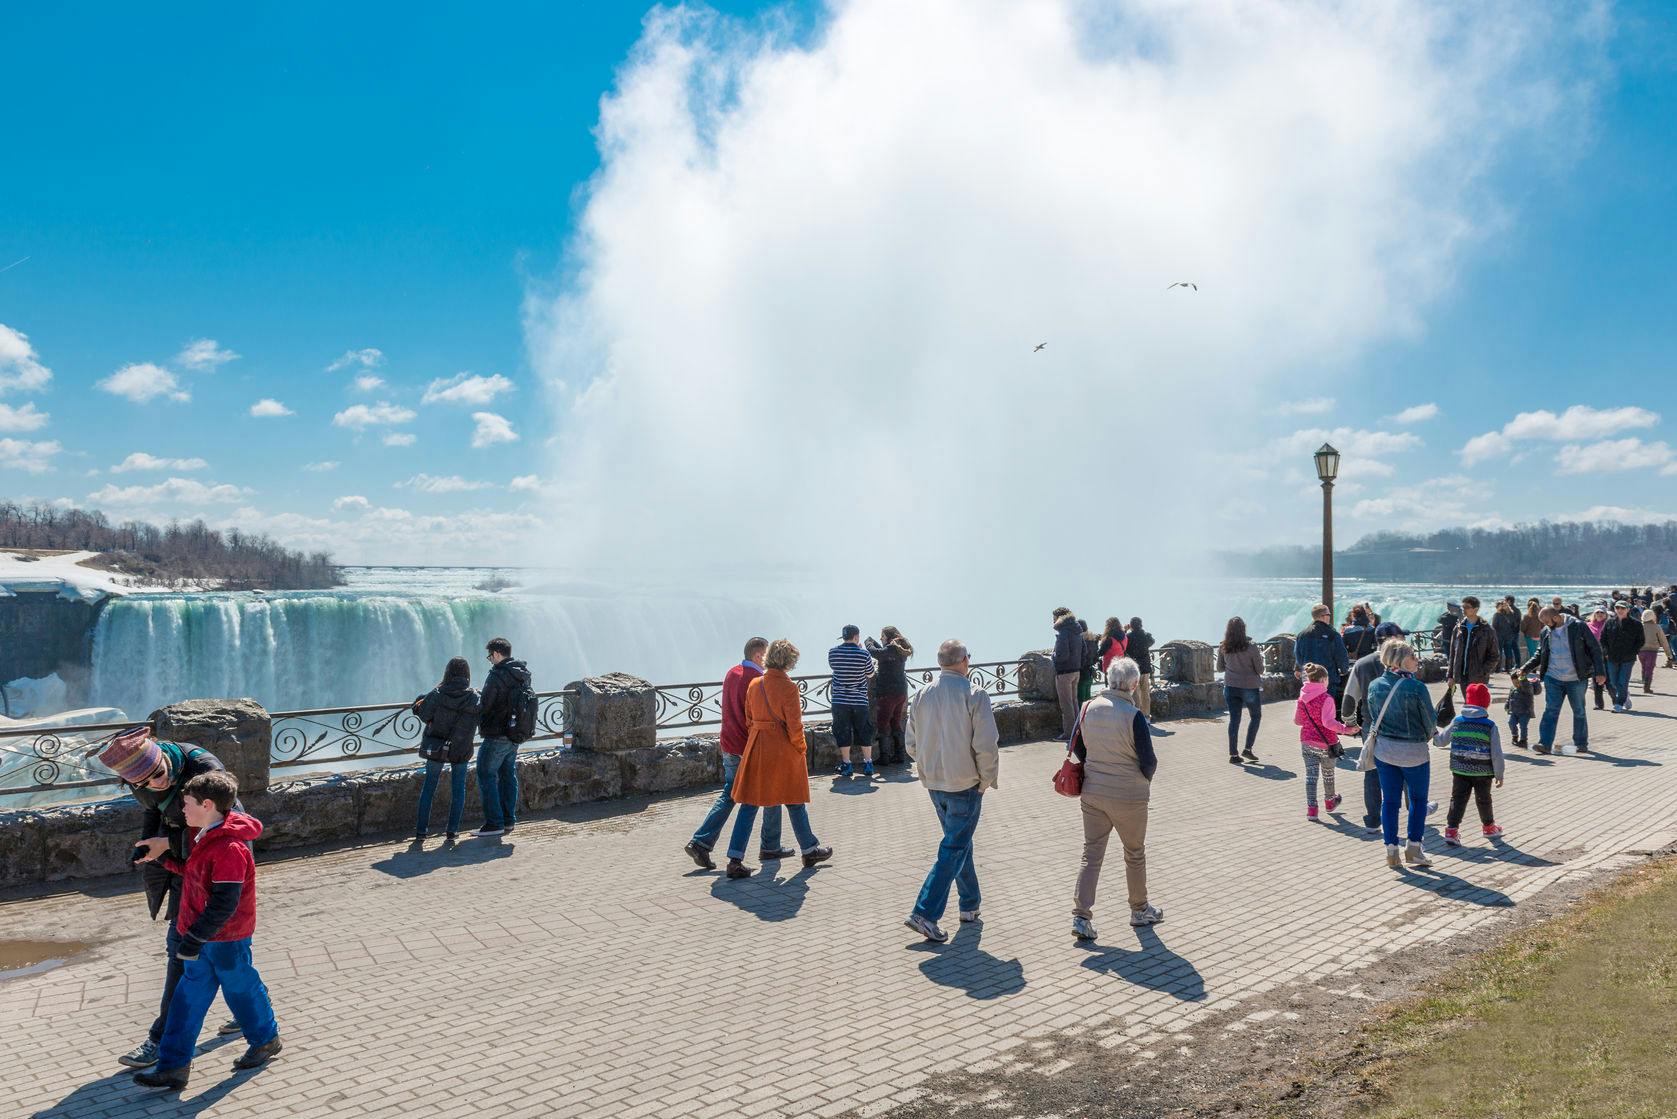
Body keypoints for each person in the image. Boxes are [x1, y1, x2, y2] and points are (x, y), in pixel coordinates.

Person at [99, 725, 242, 1069]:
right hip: (183, 866)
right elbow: (154, 808)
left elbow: (229, 831)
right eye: (143, 783)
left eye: (159, 775)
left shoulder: (206, 771)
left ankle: (160, 1040)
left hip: (217, 869)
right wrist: (148, 844)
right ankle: (252, 1013)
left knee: (190, 951)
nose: (155, 784)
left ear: (164, 756)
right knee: (220, 952)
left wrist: (169, 845)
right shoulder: (145, 783)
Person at [132, 771, 282, 1089]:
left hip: (226, 940)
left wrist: (194, 937)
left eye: (187, 803)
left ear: (208, 804)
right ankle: (173, 1067)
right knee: (186, 1001)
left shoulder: (229, 848)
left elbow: (225, 902)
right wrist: (159, 859)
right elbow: (195, 872)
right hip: (201, 936)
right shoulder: (206, 835)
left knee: (242, 993)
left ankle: (266, 1041)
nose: (182, 810)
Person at [904, 639, 1000, 944]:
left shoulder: (921, 694)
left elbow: (911, 743)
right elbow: (986, 745)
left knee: (959, 842)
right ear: (963, 661)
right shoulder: (974, 694)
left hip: (935, 782)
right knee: (954, 847)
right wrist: (986, 781)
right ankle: (925, 912)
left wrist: (927, 765)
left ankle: (969, 904)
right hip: (965, 783)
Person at [1069, 657, 1161, 940]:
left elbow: (1077, 746)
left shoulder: (1087, 708)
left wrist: (1096, 764)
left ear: (1109, 681)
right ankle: (1139, 909)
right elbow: (1149, 760)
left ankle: (1081, 917)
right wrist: (1142, 779)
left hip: (1093, 793)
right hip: (1129, 796)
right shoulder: (1133, 716)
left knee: (1091, 853)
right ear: (1134, 685)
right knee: (1134, 853)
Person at [726, 639, 833, 878]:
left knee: (749, 803)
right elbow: (795, 726)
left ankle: (735, 858)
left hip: (757, 747)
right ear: (789, 661)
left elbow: (749, 718)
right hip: (781, 750)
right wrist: (801, 747)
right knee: (794, 800)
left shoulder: (754, 684)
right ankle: (809, 849)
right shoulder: (788, 688)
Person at [684, 638, 787, 870]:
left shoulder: (732, 673)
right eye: (768, 655)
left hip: (728, 743)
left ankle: (701, 842)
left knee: (730, 794)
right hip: (748, 747)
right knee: (769, 792)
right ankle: (769, 846)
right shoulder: (757, 680)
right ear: (759, 656)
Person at [1358, 639, 1437, 869]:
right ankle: (1413, 848)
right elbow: (1429, 722)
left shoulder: (1375, 685)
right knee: (1418, 800)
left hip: (1385, 751)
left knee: (1389, 801)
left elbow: (1374, 716)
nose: (1417, 660)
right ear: (1402, 660)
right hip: (1414, 752)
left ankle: (1391, 852)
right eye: (1413, 656)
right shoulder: (1417, 688)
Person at [412, 657, 481, 846]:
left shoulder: (437, 693)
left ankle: (421, 832)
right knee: (458, 790)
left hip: (436, 746)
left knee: (429, 788)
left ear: (448, 673)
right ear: (467, 674)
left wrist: (419, 699)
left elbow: (424, 713)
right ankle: (452, 832)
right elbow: (480, 719)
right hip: (461, 748)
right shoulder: (475, 696)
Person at [1519, 606, 1605, 756]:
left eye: (1546, 621)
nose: (1545, 625)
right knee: (1550, 711)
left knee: (1579, 711)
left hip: (1576, 678)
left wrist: (1600, 672)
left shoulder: (1578, 626)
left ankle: (1581, 743)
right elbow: (1540, 653)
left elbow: (1595, 649)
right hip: (1553, 678)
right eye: (1542, 623)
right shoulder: (1546, 631)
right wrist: (1525, 668)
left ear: (1556, 617)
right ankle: (1544, 744)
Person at [1432, 682, 1505, 847]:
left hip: (1460, 769)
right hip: (1483, 772)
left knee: (1457, 799)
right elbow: (1496, 753)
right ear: (1486, 703)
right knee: (1484, 799)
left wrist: (1434, 732)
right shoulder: (1490, 726)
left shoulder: (1457, 721)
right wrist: (1499, 774)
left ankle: (1451, 830)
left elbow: (1441, 741)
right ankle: (1489, 827)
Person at [475, 636, 531, 838]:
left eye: (490, 656)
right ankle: (508, 821)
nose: (490, 660)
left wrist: (476, 702)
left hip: (497, 733)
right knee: (508, 775)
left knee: (485, 773)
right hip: (515, 733)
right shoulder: (521, 673)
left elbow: (486, 705)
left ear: (497, 654)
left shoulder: (497, 675)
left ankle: (494, 823)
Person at [1294, 662, 1353, 821]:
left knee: (1310, 777)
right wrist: (1346, 729)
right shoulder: (1326, 698)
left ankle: (1312, 810)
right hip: (1326, 743)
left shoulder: (1302, 699)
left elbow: (1298, 721)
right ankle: (1330, 802)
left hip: (1307, 741)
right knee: (1328, 774)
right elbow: (1328, 723)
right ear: (1323, 679)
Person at [830, 624, 878, 778]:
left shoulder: (833, 653)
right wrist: (861, 651)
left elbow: (835, 668)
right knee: (864, 730)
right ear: (856, 637)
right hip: (859, 700)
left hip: (840, 700)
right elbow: (870, 674)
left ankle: (846, 764)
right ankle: (868, 763)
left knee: (842, 730)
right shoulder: (863, 654)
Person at [864, 627, 914, 764]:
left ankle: (884, 757)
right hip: (900, 692)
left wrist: (868, 641)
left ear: (888, 636)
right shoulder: (899, 649)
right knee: (896, 723)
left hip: (888, 693)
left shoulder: (891, 649)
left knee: (883, 723)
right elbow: (883, 652)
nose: (881, 638)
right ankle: (900, 755)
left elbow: (875, 653)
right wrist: (874, 641)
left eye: (882, 636)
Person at [1220, 617, 1266, 765]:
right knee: (1255, 717)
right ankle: (1247, 749)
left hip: (1231, 686)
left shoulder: (1224, 646)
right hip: (1249, 687)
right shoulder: (1251, 647)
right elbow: (1260, 669)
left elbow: (1219, 668)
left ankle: (1233, 755)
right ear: (1243, 629)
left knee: (1234, 720)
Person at [1294, 603, 1351, 701]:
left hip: (1309, 678)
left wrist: (1299, 668)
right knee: (1326, 708)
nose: (1330, 617)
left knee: (1310, 707)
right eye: (1329, 614)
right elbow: (1341, 656)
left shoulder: (1301, 635)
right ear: (1323, 616)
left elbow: (1298, 655)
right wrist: (1344, 670)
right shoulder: (1332, 634)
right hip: (1327, 679)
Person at [1446, 596, 1501, 687]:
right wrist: (1450, 676)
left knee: (1475, 701)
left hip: (1478, 678)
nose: (1463, 610)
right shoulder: (1458, 628)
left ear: (1476, 609)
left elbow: (1495, 655)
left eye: (1467, 607)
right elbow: (1453, 653)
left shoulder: (1486, 629)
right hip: (1461, 676)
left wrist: (1483, 671)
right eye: (1463, 607)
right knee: (1467, 701)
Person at [1600, 600, 1645, 713]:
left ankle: (1619, 704)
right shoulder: (1609, 622)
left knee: (1623, 681)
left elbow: (1641, 641)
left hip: (1628, 658)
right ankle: (1625, 696)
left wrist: (1633, 652)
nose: (1620, 610)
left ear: (1628, 609)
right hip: (1612, 657)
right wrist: (1605, 652)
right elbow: (1603, 639)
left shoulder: (1636, 624)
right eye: (1617, 608)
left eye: (1622, 608)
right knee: (1614, 682)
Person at [1052, 607, 1082, 740]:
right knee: (1074, 702)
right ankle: (1078, 730)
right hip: (1076, 670)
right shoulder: (1077, 630)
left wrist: (1053, 656)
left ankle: (1069, 733)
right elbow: (1084, 650)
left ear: (1059, 618)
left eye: (1053, 618)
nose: (1052, 620)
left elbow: (1062, 655)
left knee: (1066, 704)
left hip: (1064, 672)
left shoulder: (1063, 631)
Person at [1125, 617, 1156, 720]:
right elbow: (1152, 641)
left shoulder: (1128, 636)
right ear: (1141, 625)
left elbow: (1123, 645)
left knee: (1136, 693)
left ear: (1131, 625)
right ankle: (1147, 716)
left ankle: (1138, 716)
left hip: (1135, 668)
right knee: (1145, 692)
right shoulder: (1145, 635)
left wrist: (1126, 630)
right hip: (1145, 667)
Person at [1504, 669, 1537, 749]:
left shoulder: (1527, 686)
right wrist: (1507, 705)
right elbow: (1509, 697)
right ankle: (1515, 735)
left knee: (1523, 726)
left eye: (1518, 682)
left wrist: (1522, 680)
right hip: (1514, 711)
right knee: (1511, 723)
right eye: (1514, 683)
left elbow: (1527, 689)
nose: (1516, 684)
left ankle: (1523, 740)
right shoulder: (1512, 688)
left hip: (1525, 712)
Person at [1586, 607, 1610, 710]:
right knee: (1596, 681)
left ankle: (1617, 700)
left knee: (1609, 681)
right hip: (1593, 656)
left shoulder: (1609, 624)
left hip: (1607, 656)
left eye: (1602, 612)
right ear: (1594, 614)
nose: (1600, 614)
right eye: (1597, 612)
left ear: (1606, 614)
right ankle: (1599, 704)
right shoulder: (1588, 625)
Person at [1646, 608, 1675, 690]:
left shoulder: (1641, 626)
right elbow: (1664, 641)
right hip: (1654, 647)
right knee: (1649, 667)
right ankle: (1647, 684)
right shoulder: (1658, 623)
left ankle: (1646, 682)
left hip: (1642, 650)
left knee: (1646, 667)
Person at [1491, 599, 1521, 681]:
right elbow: (1515, 625)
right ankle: (1508, 668)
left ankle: (1498, 668)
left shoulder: (1497, 615)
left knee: (1499, 652)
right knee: (1508, 651)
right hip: (1509, 636)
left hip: (1499, 636)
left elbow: (1494, 626)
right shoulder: (1511, 613)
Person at [1076, 618, 1100, 704]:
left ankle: (1081, 717)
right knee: (1088, 701)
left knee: (1081, 701)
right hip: (1090, 673)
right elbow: (1096, 658)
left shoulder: (1079, 641)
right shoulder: (1093, 641)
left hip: (1081, 674)